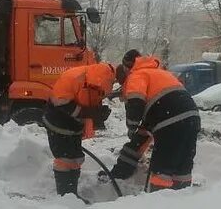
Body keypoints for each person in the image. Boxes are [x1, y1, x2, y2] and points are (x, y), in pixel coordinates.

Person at [110, 49, 200, 191]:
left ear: (127, 68)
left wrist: (131, 126)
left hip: (169, 120)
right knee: (182, 167)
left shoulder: (137, 75)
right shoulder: (162, 74)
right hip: (192, 118)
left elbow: (135, 101)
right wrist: (119, 172)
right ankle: (182, 199)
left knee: (161, 171)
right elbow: (139, 141)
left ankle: (157, 203)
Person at [42, 63, 115, 197]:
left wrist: (97, 114)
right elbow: (62, 104)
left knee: (76, 158)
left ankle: (72, 194)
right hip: (58, 123)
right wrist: (89, 112)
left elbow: (91, 102)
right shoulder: (72, 78)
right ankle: (65, 196)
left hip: (73, 126)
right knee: (65, 158)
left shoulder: (99, 83)